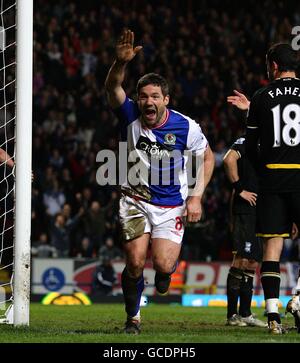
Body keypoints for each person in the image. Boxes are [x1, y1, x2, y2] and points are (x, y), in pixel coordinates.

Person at [104, 29, 215, 334]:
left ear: (166, 99)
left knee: (164, 266)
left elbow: (207, 158)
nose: (148, 102)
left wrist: (196, 197)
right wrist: (120, 63)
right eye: (143, 96)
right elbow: (113, 86)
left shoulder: (186, 126)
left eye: (155, 96)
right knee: (136, 262)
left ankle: (164, 274)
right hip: (135, 200)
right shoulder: (129, 115)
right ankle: (133, 318)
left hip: (171, 205)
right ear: (137, 100)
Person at [244, 42, 300, 334]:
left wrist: (264, 167)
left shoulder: (261, 97)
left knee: (272, 249)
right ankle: (299, 298)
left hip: (273, 180)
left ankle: (273, 317)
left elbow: (249, 147)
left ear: (274, 66)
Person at [223, 136, 267, 328]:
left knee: (253, 261)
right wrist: (240, 189)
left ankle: (246, 313)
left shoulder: (272, 142)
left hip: (262, 209)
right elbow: (228, 159)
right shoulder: (246, 140)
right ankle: (232, 315)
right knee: (241, 259)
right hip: (246, 208)